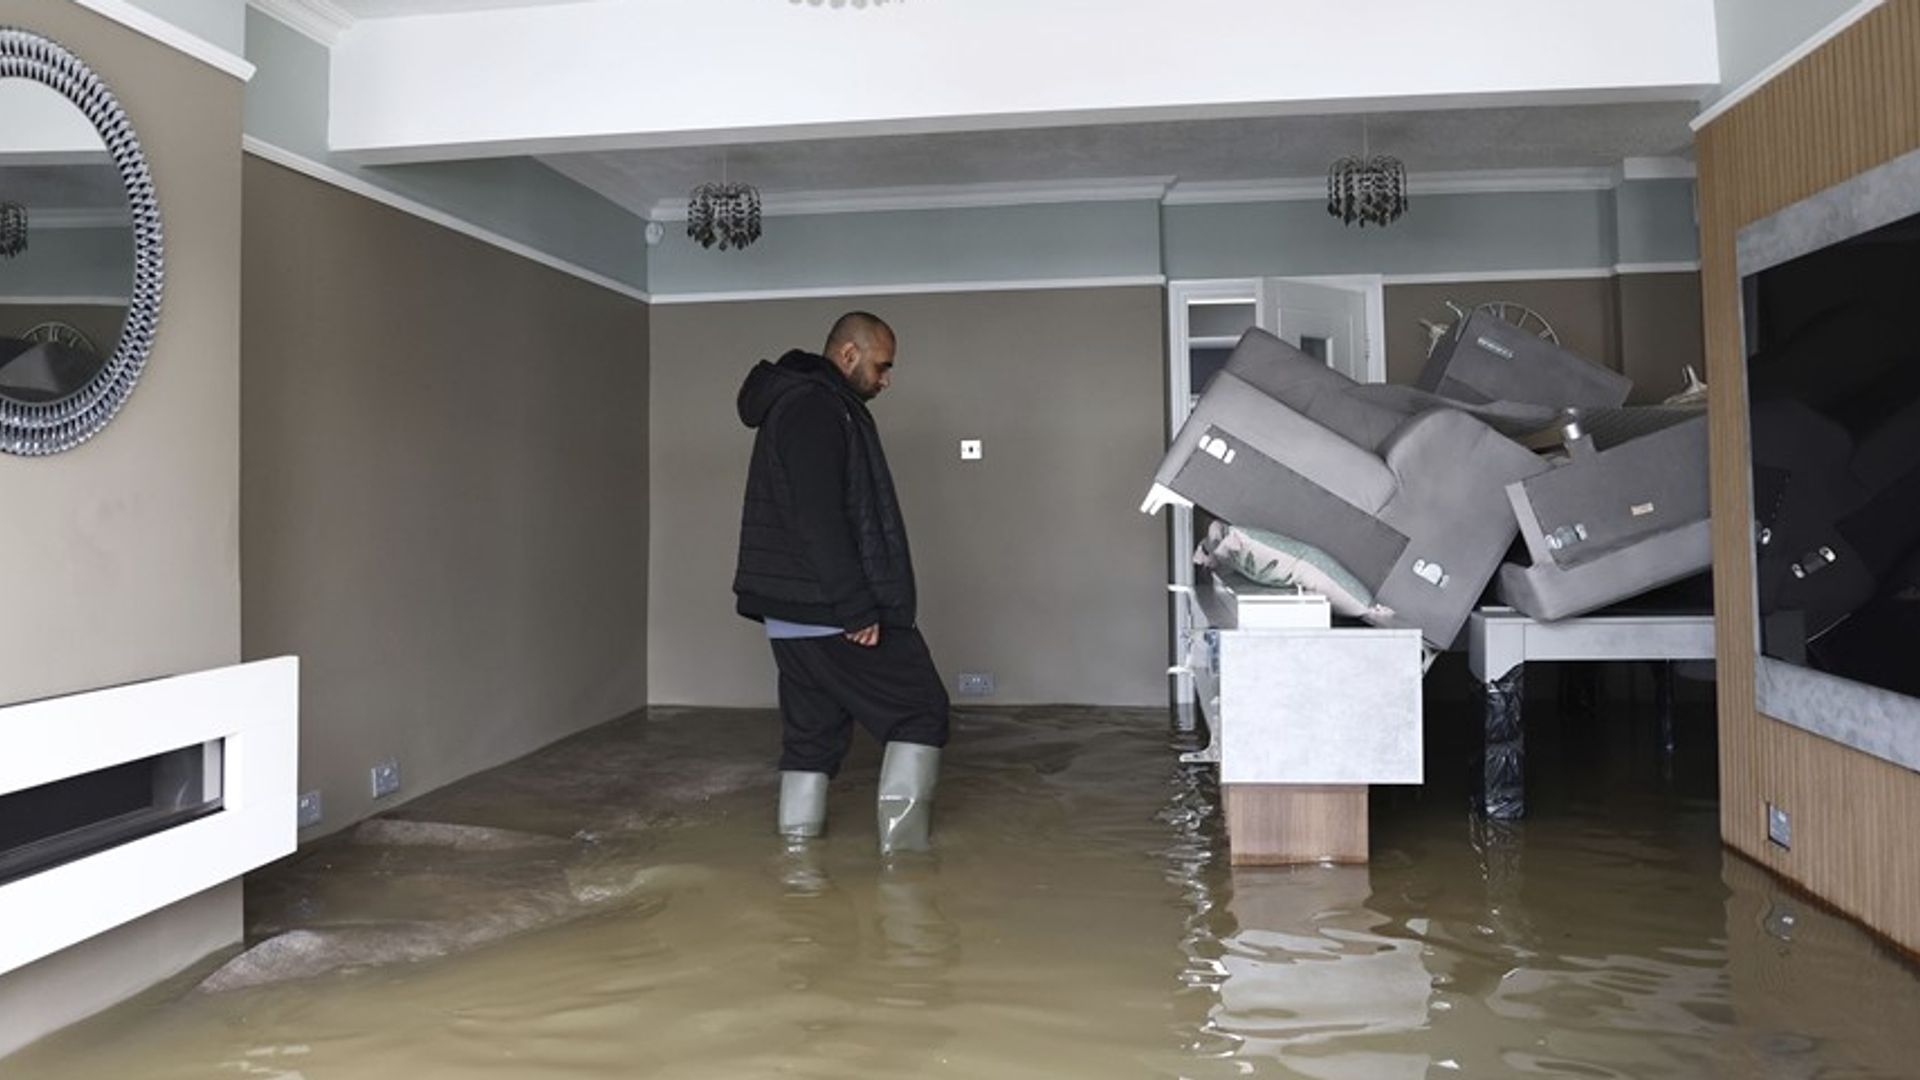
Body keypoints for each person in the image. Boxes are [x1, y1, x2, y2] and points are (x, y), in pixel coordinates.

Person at [733, 311, 950, 854]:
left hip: (793, 619)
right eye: (883, 365)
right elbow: (817, 516)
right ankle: (908, 869)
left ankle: (800, 870)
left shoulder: (804, 404)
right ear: (849, 355)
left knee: (812, 739)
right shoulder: (814, 408)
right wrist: (857, 607)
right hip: (831, 610)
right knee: (921, 711)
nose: (887, 379)